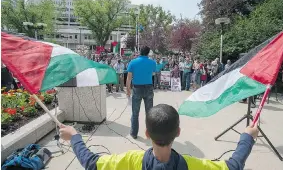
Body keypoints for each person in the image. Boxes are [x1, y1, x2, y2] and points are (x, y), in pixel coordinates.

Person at [59, 104, 259, 170]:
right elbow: (233, 166)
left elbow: (91, 163)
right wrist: (247, 137)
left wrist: (75, 136)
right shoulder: (191, 165)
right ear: (178, 132)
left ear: (146, 134)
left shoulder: (131, 161)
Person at [126, 46, 156, 139]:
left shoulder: (133, 62)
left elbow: (129, 78)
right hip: (148, 88)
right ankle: (150, 133)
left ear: (139, 52)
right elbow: (153, 74)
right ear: (148, 53)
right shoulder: (152, 62)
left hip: (137, 88)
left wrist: (128, 90)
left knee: (135, 113)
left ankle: (134, 133)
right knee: (149, 113)